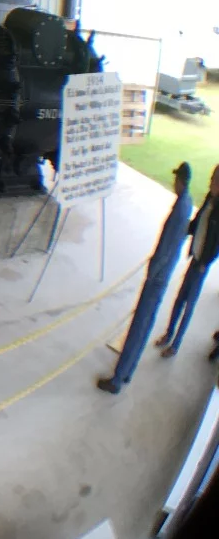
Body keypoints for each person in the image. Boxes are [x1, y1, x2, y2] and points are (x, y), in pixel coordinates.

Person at [98, 163, 193, 393]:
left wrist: (151, 273)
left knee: (139, 323)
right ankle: (128, 371)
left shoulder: (180, 207)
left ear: (180, 181)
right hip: (165, 272)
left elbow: (165, 246)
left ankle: (117, 379)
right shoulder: (187, 202)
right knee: (146, 322)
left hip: (159, 275)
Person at [155, 162, 219, 356]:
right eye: (211, 179)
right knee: (179, 298)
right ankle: (168, 333)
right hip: (195, 257)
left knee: (189, 303)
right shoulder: (210, 199)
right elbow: (198, 222)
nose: (210, 184)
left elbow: (216, 244)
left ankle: (175, 345)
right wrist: (186, 230)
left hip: (201, 264)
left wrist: (205, 262)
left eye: (214, 181)